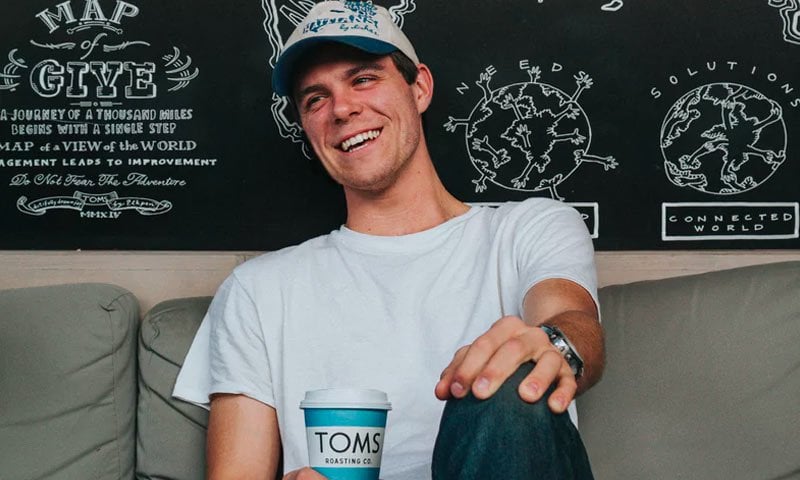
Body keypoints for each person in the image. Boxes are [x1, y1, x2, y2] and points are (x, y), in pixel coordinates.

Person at [173, 1, 604, 478]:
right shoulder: (258, 289)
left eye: (363, 79)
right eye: (315, 99)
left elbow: (572, 321)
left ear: (420, 88)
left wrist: (552, 346)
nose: (342, 109)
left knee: (507, 377)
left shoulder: (529, 228)